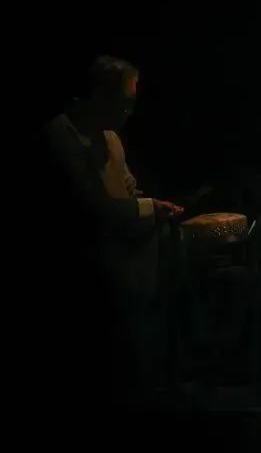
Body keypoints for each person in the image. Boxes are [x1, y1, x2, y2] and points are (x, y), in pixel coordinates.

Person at [40, 55, 184, 410]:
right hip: (93, 257)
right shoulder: (62, 136)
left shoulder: (111, 139)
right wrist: (149, 208)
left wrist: (151, 205)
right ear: (99, 96)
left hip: (126, 249)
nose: (128, 113)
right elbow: (91, 207)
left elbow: (128, 189)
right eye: (123, 103)